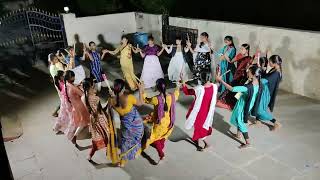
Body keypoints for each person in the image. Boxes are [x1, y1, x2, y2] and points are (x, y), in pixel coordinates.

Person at [216, 65, 261, 148]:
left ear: (254, 74)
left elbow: (232, 89)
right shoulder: (257, 82)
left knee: (241, 122)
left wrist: (221, 80)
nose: (247, 72)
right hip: (247, 103)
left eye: (249, 71)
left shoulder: (248, 87)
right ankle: (238, 135)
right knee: (238, 118)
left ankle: (248, 142)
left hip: (243, 106)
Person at [143, 78, 180, 163]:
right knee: (163, 136)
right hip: (169, 121)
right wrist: (178, 86)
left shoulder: (156, 99)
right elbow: (177, 93)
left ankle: (161, 154)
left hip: (160, 123)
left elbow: (145, 99)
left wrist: (142, 90)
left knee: (155, 139)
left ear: (157, 88)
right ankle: (161, 146)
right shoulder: (172, 96)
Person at [82, 78, 118, 163]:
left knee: (96, 139)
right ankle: (110, 153)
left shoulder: (84, 97)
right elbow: (102, 109)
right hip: (100, 118)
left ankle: (90, 155)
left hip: (93, 119)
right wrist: (109, 99)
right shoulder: (95, 98)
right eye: (93, 84)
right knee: (108, 135)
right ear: (91, 86)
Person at [110, 79, 144, 167]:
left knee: (126, 141)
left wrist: (112, 96)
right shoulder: (129, 98)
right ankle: (136, 151)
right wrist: (140, 90)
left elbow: (113, 104)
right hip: (136, 123)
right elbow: (141, 103)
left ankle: (122, 162)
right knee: (136, 137)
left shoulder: (111, 101)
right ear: (123, 88)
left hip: (125, 124)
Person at [182, 72, 218, 151]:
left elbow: (187, 92)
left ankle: (204, 144)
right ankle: (200, 142)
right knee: (202, 126)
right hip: (208, 112)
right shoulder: (214, 87)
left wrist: (183, 83)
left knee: (198, 127)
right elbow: (216, 82)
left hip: (199, 112)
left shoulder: (199, 89)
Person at [216, 44, 253, 110]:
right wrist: (226, 56)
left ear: (247, 50)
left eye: (242, 49)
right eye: (240, 49)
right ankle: (229, 103)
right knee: (231, 88)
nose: (241, 50)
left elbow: (249, 69)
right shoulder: (239, 55)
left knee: (237, 90)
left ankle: (235, 104)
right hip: (237, 74)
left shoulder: (249, 58)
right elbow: (231, 61)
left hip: (243, 76)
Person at [64, 70, 90, 146]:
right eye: (73, 76)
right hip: (80, 105)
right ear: (71, 77)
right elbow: (83, 95)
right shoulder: (73, 87)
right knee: (83, 122)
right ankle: (74, 136)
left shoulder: (67, 84)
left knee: (83, 121)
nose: (75, 78)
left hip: (75, 105)